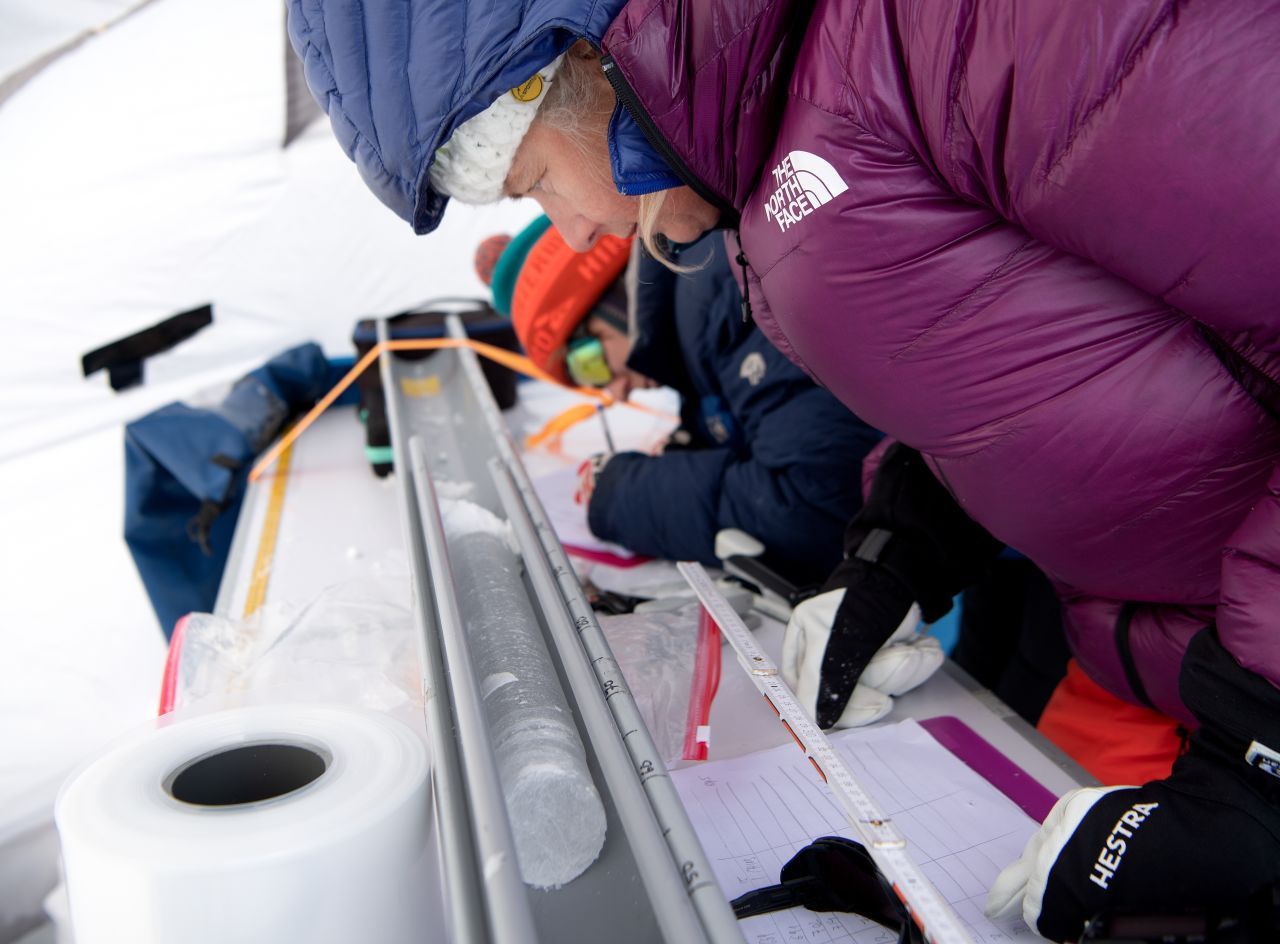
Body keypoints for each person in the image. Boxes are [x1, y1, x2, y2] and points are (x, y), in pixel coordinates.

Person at [286, 1, 1280, 938]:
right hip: (1166, 663)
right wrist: (906, 537)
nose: (577, 232)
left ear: (583, 61)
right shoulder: (768, 160)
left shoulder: (939, 33)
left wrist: (1258, 763)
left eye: (535, 179)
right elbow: (1037, 352)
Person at [487, 216, 883, 587]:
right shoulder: (695, 311)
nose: (615, 393)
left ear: (611, 307)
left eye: (590, 366)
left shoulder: (721, 294)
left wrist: (621, 495)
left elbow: (814, 508)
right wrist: (694, 448)